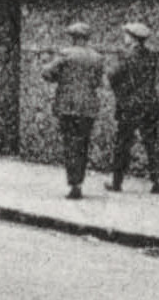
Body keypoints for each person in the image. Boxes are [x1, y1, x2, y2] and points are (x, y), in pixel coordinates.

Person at [40, 21, 108, 199]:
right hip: (88, 107)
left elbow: (47, 73)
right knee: (83, 145)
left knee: (70, 144)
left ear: (73, 38)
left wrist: (48, 64)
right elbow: (97, 82)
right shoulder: (97, 57)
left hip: (68, 107)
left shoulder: (66, 54)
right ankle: (80, 180)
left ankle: (74, 183)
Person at [105, 22, 159, 194]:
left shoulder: (126, 56)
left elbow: (112, 75)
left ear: (132, 38)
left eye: (126, 35)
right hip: (149, 103)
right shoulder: (151, 56)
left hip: (130, 105)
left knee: (123, 143)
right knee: (151, 143)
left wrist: (121, 92)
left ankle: (117, 182)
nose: (124, 38)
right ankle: (157, 179)